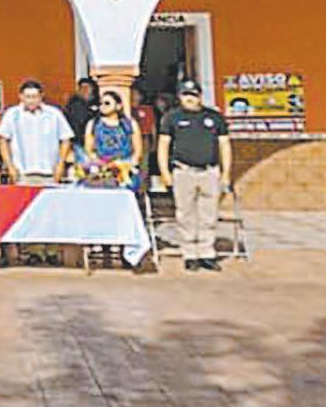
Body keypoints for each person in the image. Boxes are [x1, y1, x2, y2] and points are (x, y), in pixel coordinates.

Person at [158, 80, 233, 272]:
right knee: (185, 215)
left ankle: (207, 253)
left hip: (210, 172)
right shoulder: (172, 118)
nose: (190, 98)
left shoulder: (214, 117)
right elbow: (163, 146)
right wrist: (165, 173)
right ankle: (190, 254)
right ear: (179, 97)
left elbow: (224, 145)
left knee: (209, 214)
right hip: (183, 171)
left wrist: (226, 173)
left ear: (200, 96)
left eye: (193, 94)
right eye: (185, 95)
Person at [0, 80, 74, 185]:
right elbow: (4, 141)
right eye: (28, 97)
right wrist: (10, 166)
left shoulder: (54, 114)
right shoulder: (12, 114)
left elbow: (66, 139)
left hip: (49, 173)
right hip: (22, 173)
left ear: (41, 96)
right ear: (21, 97)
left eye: (34, 97)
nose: (31, 101)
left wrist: (60, 164)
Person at [84, 90, 143, 188]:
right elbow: (88, 149)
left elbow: (138, 150)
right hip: (101, 168)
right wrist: (100, 163)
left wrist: (127, 165)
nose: (103, 106)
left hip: (125, 168)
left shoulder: (130, 124)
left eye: (107, 103)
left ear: (118, 106)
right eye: (100, 103)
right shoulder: (93, 124)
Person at [63, 77, 99, 162]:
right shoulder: (75, 105)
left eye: (87, 88)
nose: (84, 91)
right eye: (82, 88)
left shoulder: (96, 104)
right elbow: (80, 121)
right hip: (78, 142)